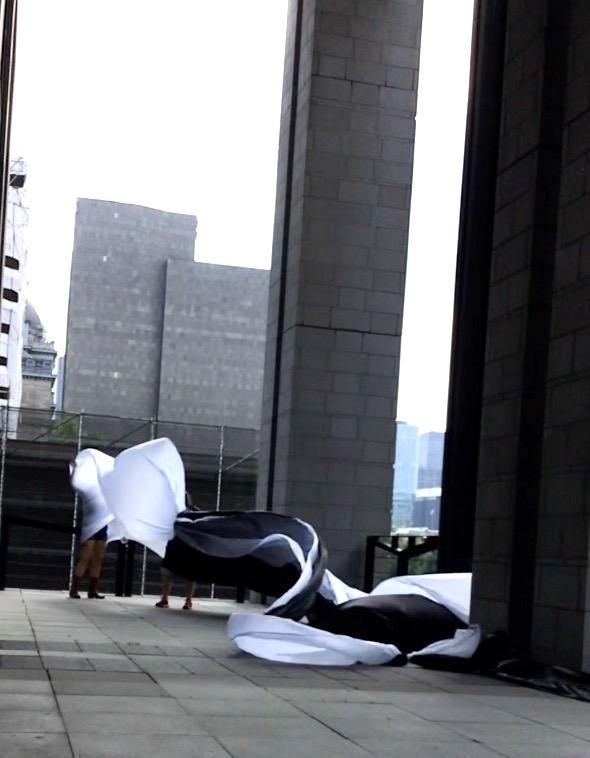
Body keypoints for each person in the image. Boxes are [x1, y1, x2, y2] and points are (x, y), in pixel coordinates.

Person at [155, 491, 197, 610]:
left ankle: (184, 600)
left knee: (188, 574)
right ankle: (168, 599)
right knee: (169, 572)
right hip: (178, 546)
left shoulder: (192, 514)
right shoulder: (173, 513)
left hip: (185, 547)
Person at [69, 525, 108, 599]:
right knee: (86, 557)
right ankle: (74, 589)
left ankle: (92, 590)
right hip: (90, 524)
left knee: (98, 559)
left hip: (102, 525)